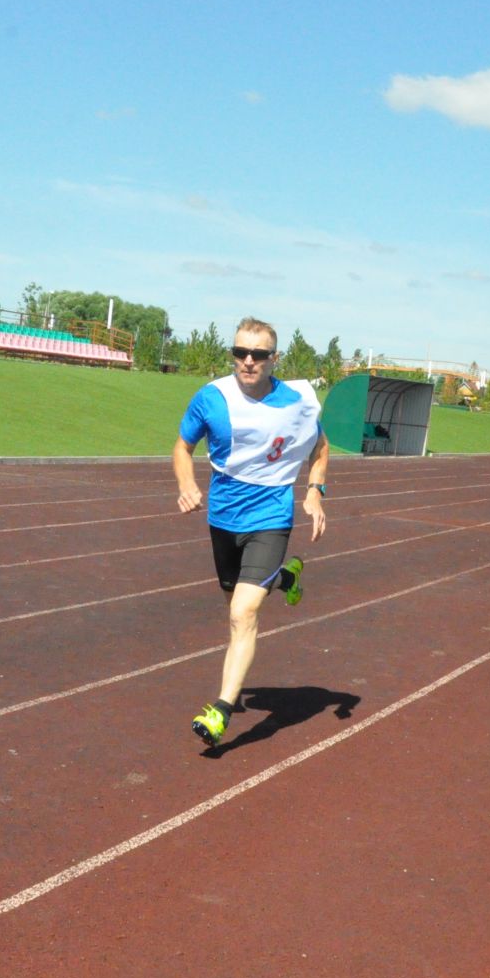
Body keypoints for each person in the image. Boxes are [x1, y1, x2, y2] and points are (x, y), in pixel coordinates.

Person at [174, 318, 328, 746]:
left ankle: (221, 710)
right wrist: (187, 483)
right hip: (223, 518)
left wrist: (314, 492)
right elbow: (182, 447)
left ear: (273, 359)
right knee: (233, 604)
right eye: (240, 352)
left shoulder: (297, 402)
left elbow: (320, 448)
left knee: (243, 614)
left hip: (271, 517)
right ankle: (285, 577)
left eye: (258, 355)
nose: (247, 361)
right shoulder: (212, 398)